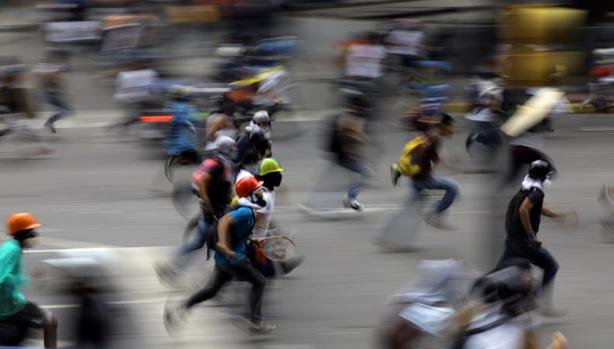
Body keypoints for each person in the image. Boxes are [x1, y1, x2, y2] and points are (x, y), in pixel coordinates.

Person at [164, 176, 275, 333]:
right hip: (234, 258)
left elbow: (237, 231)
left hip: (223, 260)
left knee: (211, 290)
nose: (260, 192)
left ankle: (179, 309)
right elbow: (224, 222)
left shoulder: (246, 208)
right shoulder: (246, 211)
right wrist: (225, 245)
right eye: (256, 190)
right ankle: (255, 322)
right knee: (260, 282)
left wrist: (253, 241)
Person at [495, 160, 577, 317]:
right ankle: (535, 301)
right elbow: (524, 209)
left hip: (512, 239)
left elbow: (536, 207)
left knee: (498, 272)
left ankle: (479, 296)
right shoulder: (536, 192)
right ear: (543, 177)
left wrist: (558, 216)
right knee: (551, 266)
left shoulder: (527, 185)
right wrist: (531, 234)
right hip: (524, 243)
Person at [155, 136, 237, 282]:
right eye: (231, 148)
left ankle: (171, 265)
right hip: (215, 211)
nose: (234, 151)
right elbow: (201, 180)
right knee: (225, 242)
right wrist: (207, 201)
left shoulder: (212, 160)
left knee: (198, 242)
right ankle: (214, 279)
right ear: (225, 148)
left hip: (212, 209)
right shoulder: (220, 164)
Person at [391, 114, 460, 229]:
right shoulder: (435, 138)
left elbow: (434, 156)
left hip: (417, 177)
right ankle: (435, 213)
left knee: (412, 206)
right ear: (445, 126)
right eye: (452, 127)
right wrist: (421, 167)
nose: (454, 130)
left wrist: (449, 166)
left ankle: (389, 232)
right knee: (453, 188)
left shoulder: (432, 134)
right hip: (423, 178)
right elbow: (424, 153)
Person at [0, 213, 57, 348]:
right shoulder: (13, 250)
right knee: (49, 320)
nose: (34, 236)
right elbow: (3, 279)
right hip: (10, 306)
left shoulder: (11, 247)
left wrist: (27, 279)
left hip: (11, 303)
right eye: (31, 232)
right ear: (22, 234)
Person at [329, 95, 372, 211]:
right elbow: (350, 136)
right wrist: (359, 137)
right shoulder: (349, 118)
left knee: (363, 173)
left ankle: (350, 197)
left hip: (345, 154)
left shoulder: (347, 116)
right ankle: (350, 198)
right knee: (365, 173)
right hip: (345, 154)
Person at [36, 48, 73, 134]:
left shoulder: (45, 66)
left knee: (61, 109)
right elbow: (51, 78)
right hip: (50, 94)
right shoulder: (47, 67)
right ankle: (49, 122)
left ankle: (50, 122)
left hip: (49, 94)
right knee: (67, 110)